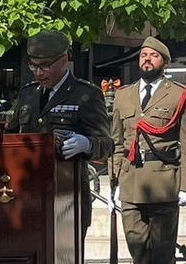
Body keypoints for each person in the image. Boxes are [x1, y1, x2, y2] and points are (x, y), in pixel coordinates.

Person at [107, 37, 186, 264]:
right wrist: (114, 183)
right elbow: (117, 143)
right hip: (131, 184)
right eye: (143, 55)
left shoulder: (179, 95)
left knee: (161, 259)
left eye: (153, 56)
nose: (146, 59)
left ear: (164, 62)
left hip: (163, 184)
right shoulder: (123, 95)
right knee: (139, 258)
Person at [9, 30, 112, 237]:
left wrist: (87, 144)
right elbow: (10, 137)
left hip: (68, 196)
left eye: (45, 66)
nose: (39, 73)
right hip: (28, 195)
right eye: (33, 66)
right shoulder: (28, 93)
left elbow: (107, 144)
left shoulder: (86, 94)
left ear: (64, 60)